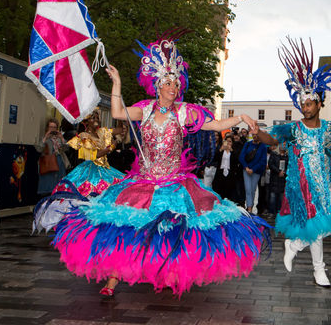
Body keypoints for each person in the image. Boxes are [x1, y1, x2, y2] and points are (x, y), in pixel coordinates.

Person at [36, 35, 270, 297]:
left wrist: (241, 117)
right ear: (158, 85)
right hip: (143, 183)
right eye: (168, 82)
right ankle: (113, 280)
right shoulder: (145, 109)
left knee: (172, 232)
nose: (173, 87)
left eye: (176, 83)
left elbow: (214, 125)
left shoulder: (184, 112)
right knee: (124, 229)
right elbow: (117, 113)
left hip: (174, 183)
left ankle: (170, 274)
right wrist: (117, 84)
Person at [255, 37, 331, 288]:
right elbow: (270, 139)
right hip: (301, 186)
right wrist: (256, 132)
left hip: (326, 185)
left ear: (320, 103)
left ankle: (295, 244)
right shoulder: (293, 128)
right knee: (315, 224)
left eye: (309, 103)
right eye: (302, 104)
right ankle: (319, 270)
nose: (305, 107)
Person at [37, 118, 69, 195]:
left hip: (59, 162)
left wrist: (61, 137)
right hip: (48, 163)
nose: (52, 129)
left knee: (58, 184)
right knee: (48, 183)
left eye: (54, 127)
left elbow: (66, 148)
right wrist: (45, 137)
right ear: (47, 128)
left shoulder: (59, 138)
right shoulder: (44, 138)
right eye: (51, 127)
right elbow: (39, 149)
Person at [239, 133, 268, 213]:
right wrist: (246, 167)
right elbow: (241, 157)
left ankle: (251, 206)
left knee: (252, 189)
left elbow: (263, 161)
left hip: (256, 171)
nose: (255, 136)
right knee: (248, 189)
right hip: (246, 170)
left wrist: (253, 169)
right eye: (254, 135)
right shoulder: (247, 144)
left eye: (257, 134)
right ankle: (249, 208)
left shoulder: (263, 146)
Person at [212, 134, 241, 202]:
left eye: (230, 141)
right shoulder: (221, 149)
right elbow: (215, 158)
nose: (228, 143)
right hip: (220, 173)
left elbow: (236, 160)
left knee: (229, 191)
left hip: (230, 174)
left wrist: (231, 150)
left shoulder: (234, 150)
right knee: (218, 189)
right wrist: (221, 149)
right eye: (226, 141)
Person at [267, 144, 288, 215]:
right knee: (273, 196)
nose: (283, 146)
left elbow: (289, 166)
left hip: (282, 180)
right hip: (274, 178)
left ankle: (279, 212)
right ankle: (271, 212)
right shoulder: (274, 154)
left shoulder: (287, 156)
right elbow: (270, 164)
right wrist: (278, 171)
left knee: (281, 197)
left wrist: (283, 172)